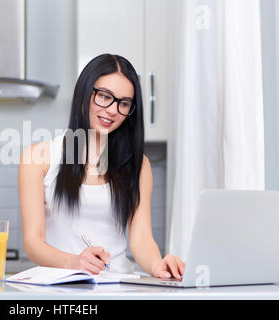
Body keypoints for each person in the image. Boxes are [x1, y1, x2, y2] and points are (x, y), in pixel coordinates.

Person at [18, 53, 185, 280]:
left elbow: (141, 239)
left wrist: (157, 266)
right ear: (84, 94)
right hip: (63, 288)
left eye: (124, 103)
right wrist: (74, 262)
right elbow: (33, 242)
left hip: (119, 286)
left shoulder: (139, 165)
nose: (113, 110)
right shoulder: (37, 158)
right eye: (105, 97)